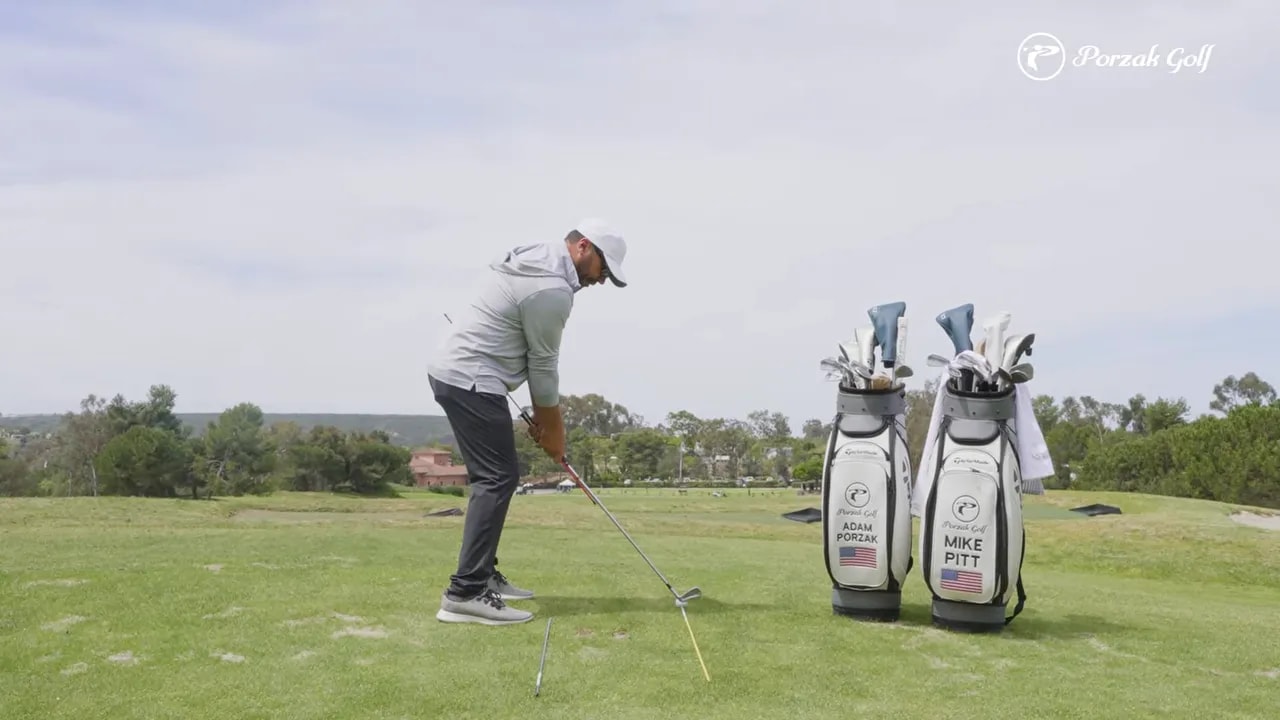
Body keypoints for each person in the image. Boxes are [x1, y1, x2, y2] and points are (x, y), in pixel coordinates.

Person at [426, 218, 629, 625]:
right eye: (603, 269)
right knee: (497, 478)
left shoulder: (536, 257)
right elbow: (543, 367)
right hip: (471, 378)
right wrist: (554, 432)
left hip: (461, 374)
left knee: (498, 476)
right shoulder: (551, 289)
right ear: (584, 247)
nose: (602, 280)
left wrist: (545, 420)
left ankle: (482, 576)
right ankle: (465, 593)